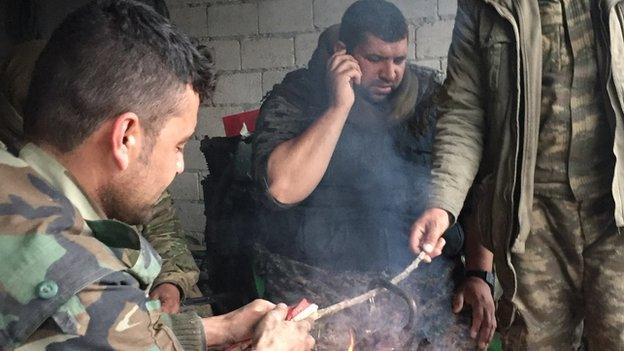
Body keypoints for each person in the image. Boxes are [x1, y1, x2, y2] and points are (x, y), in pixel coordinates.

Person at [0, 1, 314, 350]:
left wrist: (218, 328)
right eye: (179, 146)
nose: (180, 166)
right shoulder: (82, 283)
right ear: (125, 138)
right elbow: (99, 323)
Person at [252, 0, 493, 348]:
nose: (390, 73)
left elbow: (477, 189)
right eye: (375, 59)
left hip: (423, 286)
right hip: (321, 288)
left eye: (399, 60)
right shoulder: (297, 96)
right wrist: (339, 106)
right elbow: (283, 187)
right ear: (342, 52)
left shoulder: (430, 97)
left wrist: (478, 275)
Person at [409, 0, 624, 349]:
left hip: (616, 214)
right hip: (531, 222)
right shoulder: (483, 7)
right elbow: (464, 111)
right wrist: (443, 204)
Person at [0, 39, 201, 315]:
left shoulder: (132, 170)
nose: (180, 166)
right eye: (178, 146)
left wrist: (172, 282)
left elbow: (164, 230)